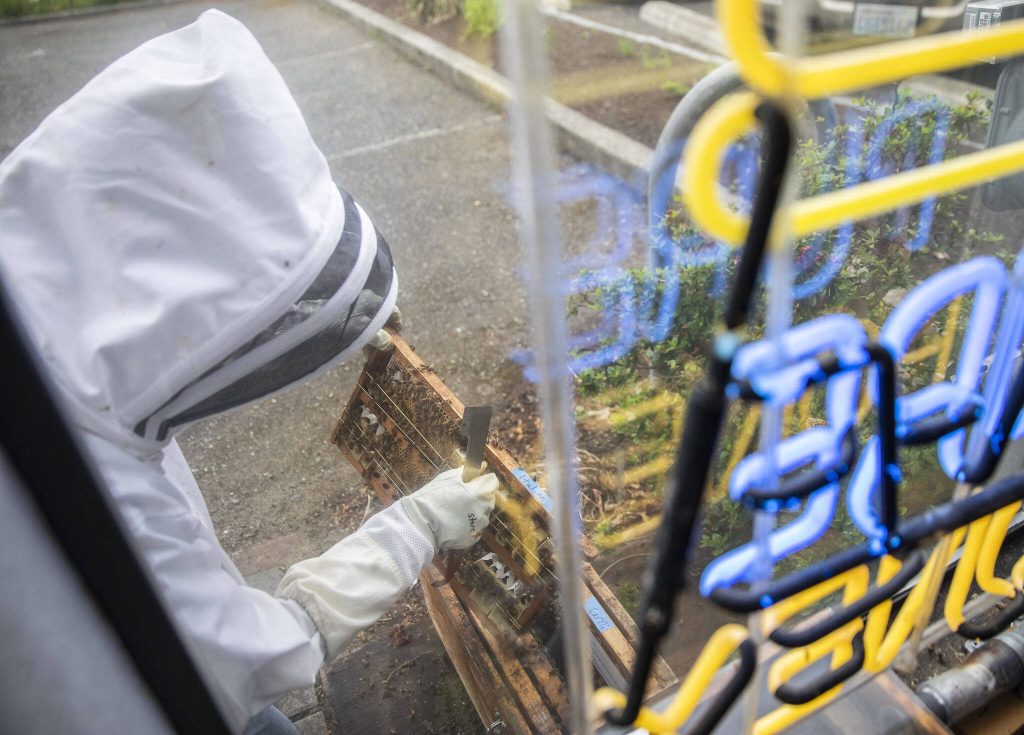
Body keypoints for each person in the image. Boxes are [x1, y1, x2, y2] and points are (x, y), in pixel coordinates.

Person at [0, 10, 497, 734]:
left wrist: (328, 316)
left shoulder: (55, 334)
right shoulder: (80, 485)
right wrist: (416, 524)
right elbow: (260, 651)